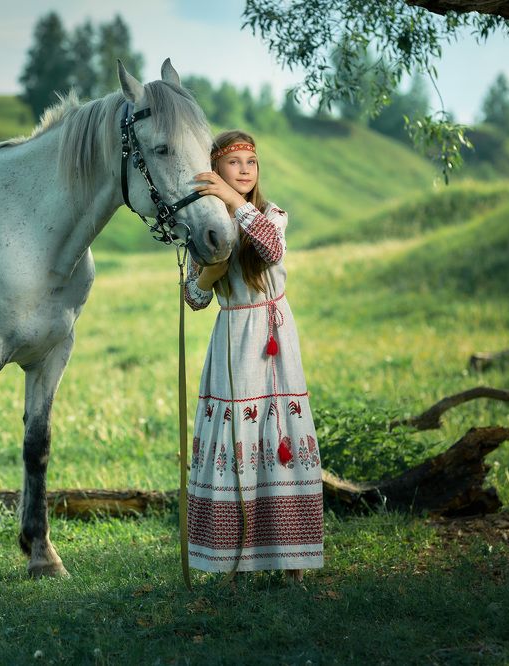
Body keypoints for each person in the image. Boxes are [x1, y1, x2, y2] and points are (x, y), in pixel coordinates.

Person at [184, 130, 324, 582]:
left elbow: (271, 248)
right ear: (215, 169)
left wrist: (233, 200)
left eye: (251, 162)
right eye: (234, 162)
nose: (245, 170)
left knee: (279, 428)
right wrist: (209, 274)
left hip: (274, 334)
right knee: (237, 434)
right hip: (232, 336)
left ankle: (291, 558)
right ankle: (234, 560)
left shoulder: (271, 215)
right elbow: (194, 299)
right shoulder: (204, 225)